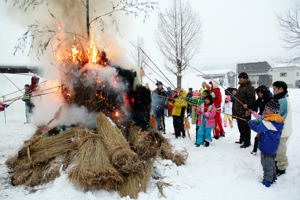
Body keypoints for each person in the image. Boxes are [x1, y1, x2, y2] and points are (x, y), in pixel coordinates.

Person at [248, 99, 284, 187]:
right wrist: (259, 120)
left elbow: (258, 128)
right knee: (271, 162)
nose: (265, 111)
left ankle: (267, 181)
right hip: (272, 145)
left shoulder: (270, 121)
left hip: (267, 146)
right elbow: (262, 120)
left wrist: (250, 123)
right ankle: (273, 177)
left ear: (272, 110)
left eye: (267, 109)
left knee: (266, 164)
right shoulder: (276, 119)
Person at [273, 81, 292, 176]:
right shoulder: (282, 98)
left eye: (274, 89)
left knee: (281, 150)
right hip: (281, 130)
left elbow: (278, 116)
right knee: (278, 149)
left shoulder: (283, 101)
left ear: (281, 89)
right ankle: (278, 164)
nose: (273, 91)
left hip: (282, 131)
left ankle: (281, 168)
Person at [233, 72, 256, 148]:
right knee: (240, 126)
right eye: (239, 78)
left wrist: (248, 107)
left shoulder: (250, 87)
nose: (239, 79)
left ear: (245, 78)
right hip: (239, 111)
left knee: (246, 127)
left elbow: (252, 100)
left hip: (245, 111)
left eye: (241, 78)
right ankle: (242, 139)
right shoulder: (240, 86)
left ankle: (247, 142)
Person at [250, 85, 273, 155]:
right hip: (261, 118)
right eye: (257, 93)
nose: (258, 94)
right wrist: (248, 107)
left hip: (269, 119)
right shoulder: (260, 99)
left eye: (260, 93)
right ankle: (255, 150)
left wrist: (265, 113)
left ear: (264, 92)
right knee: (259, 134)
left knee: (264, 135)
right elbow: (254, 105)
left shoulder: (270, 99)